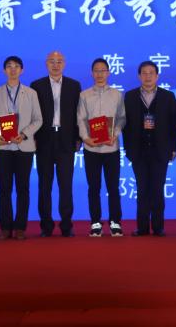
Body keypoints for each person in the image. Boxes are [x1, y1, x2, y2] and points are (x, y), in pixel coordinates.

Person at [123, 61, 176, 237]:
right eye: (144, 73)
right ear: (139, 76)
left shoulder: (168, 96)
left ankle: (158, 226)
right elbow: (125, 126)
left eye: (151, 73)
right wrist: (128, 149)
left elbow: (173, 125)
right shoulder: (130, 96)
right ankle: (142, 227)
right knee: (142, 189)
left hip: (160, 150)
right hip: (138, 151)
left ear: (157, 76)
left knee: (157, 189)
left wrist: (173, 148)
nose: (148, 76)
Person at [31, 50, 82, 238]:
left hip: (66, 140)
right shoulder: (37, 85)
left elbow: (78, 114)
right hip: (44, 140)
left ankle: (66, 225)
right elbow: (33, 114)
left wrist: (78, 138)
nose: (55, 64)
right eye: (52, 61)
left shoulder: (74, 85)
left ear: (64, 64)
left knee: (66, 185)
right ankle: (46, 226)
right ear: (46, 64)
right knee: (44, 186)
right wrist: (33, 137)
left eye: (59, 61)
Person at [0, 55, 42, 240]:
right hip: (3, 148)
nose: (13, 69)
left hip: (24, 147)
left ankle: (20, 227)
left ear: (22, 70)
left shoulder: (31, 93)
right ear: (4, 70)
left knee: (23, 188)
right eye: (9, 66)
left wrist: (25, 134)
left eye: (16, 66)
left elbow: (38, 119)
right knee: (4, 189)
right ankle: (5, 227)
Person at [77, 58, 126, 238]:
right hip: (91, 149)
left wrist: (115, 134)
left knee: (113, 187)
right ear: (92, 73)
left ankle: (115, 222)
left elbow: (121, 118)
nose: (99, 74)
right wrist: (86, 138)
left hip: (111, 148)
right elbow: (81, 119)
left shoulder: (117, 95)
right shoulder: (84, 95)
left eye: (103, 70)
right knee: (94, 187)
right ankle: (95, 222)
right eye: (96, 71)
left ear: (108, 73)